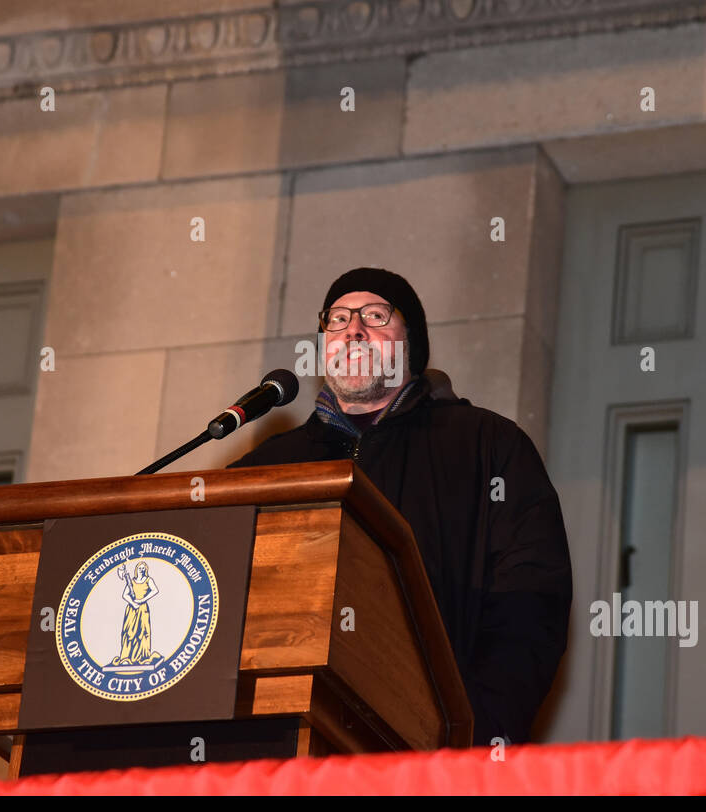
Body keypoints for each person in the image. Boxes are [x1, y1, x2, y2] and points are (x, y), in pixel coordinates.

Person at [228, 267, 572, 744]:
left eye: (375, 315)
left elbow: (530, 601)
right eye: (338, 318)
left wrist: (473, 731)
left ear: (411, 345)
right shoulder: (266, 466)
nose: (353, 328)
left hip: (428, 749)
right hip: (276, 744)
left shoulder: (487, 446)